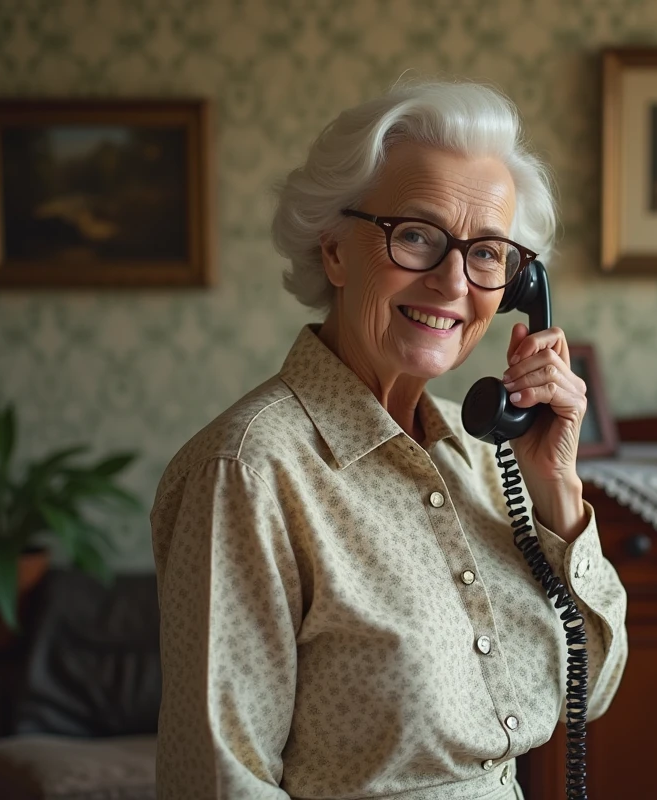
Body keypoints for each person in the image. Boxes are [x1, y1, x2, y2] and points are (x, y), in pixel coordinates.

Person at [150, 80, 629, 800]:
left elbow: (588, 690)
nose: (451, 283)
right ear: (336, 252)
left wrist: (556, 488)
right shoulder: (249, 471)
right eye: (415, 236)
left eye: (487, 254)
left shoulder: (483, 457)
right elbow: (219, 781)